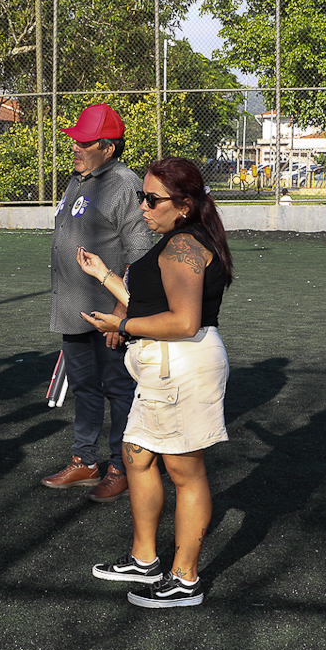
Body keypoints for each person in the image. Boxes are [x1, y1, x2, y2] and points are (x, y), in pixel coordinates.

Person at [77, 158, 233, 607]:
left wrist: (124, 327)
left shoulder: (184, 244)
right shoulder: (176, 239)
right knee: (137, 455)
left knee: (185, 472)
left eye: (152, 199)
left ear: (183, 205)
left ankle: (185, 579)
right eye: (141, 196)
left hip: (181, 365)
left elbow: (184, 321)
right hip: (163, 365)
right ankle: (145, 559)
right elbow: (150, 306)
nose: (142, 205)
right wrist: (105, 276)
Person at [42, 103, 153, 502]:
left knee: (119, 390)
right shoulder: (78, 178)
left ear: (108, 147)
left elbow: (140, 255)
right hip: (73, 307)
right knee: (85, 387)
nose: (74, 146)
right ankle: (85, 461)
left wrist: (123, 313)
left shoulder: (124, 184)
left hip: (109, 313)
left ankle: (122, 468)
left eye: (83, 142)